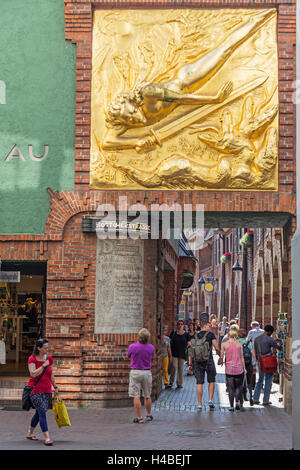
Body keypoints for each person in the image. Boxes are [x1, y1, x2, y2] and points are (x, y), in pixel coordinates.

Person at [103, 9, 274, 152]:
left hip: (188, 80)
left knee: (225, 50)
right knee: (224, 51)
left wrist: (213, 99)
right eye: (130, 120)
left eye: (133, 113)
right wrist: (136, 142)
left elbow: (179, 98)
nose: (135, 119)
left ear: (134, 103)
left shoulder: (147, 93)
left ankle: (258, 19)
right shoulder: (123, 119)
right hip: (182, 99)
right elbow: (107, 142)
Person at [26, 338, 58, 446]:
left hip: (47, 391)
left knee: (39, 412)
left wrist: (55, 387)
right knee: (42, 412)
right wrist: (43, 365)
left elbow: (51, 374)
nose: (47, 350)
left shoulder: (49, 358)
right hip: (35, 391)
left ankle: (30, 433)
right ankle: (47, 437)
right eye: (45, 348)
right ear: (39, 348)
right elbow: (33, 374)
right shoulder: (32, 359)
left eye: (48, 347)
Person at [187, 319, 220, 410]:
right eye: (209, 326)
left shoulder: (195, 336)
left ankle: (199, 404)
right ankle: (210, 400)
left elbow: (191, 351)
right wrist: (221, 356)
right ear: (204, 326)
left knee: (199, 382)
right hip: (208, 360)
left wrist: (190, 364)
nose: (210, 327)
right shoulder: (210, 335)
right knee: (211, 380)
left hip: (197, 361)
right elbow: (216, 347)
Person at [127, 328, 155, 423]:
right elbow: (152, 357)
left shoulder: (132, 347)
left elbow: (128, 355)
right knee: (147, 395)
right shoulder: (151, 347)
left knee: (136, 395)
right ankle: (148, 415)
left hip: (135, 372)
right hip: (146, 372)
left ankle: (139, 418)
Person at [253, 325, 282, 406]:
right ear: (269, 331)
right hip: (268, 361)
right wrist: (279, 342)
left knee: (260, 380)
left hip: (260, 360)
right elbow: (279, 348)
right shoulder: (270, 339)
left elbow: (255, 350)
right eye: (271, 332)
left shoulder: (257, 339)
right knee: (268, 380)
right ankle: (265, 400)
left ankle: (255, 398)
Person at [220, 329, 246, 411]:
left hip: (229, 369)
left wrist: (221, 361)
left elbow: (221, 356)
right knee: (238, 386)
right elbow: (242, 357)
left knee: (231, 388)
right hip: (239, 368)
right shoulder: (239, 344)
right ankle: (237, 402)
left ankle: (231, 406)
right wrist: (244, 368)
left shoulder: (224, 344)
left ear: (229, 335)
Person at [238, 329, 256, 406]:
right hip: (248, 365)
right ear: (246, 336)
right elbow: (253, 355)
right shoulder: (249, 343)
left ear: (238, 335)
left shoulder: (236, 343)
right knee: (249, 382)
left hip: (238, 365)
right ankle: (250, 398)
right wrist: (254, 365)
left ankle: (241, 401)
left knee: (240, 383)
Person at [169, 320, 189, 389]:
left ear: (183, 326)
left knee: (181, 369)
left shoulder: (186, 334)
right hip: (174, 353)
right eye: (179, 324)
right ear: (177, 325)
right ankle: (171, 382)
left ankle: (179, 383)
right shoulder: (173, 333)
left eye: (181, 324)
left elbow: (189, 343)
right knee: (174, 367)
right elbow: (169, 342)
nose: (180, 325)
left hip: (182, 354)